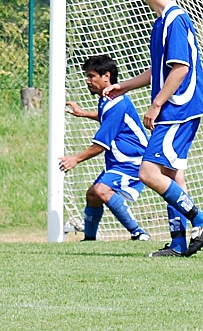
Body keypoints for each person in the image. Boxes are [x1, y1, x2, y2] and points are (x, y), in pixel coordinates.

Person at [103, 0, 203, 258]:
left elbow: (180, 68)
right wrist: (124, 86)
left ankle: (201, 219)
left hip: (178, 109)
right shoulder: (162, 22)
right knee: (171, 173)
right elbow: (160, 71)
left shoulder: (175, 20)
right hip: (177, 109)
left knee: (148, 172)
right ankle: (179, 243)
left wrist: (156, 105)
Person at [59, 55, 150, 242]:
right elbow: (106, 117)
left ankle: (139, 233)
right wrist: (84, 113)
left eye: (91, 76)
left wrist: (75, 159)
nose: (87, 81)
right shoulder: (108, 100)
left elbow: (101, 145)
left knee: (102, 190)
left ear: (106, 76)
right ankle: (89, 240)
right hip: (120, 162)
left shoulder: (117, 104)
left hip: (134, 161)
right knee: (92, 195)